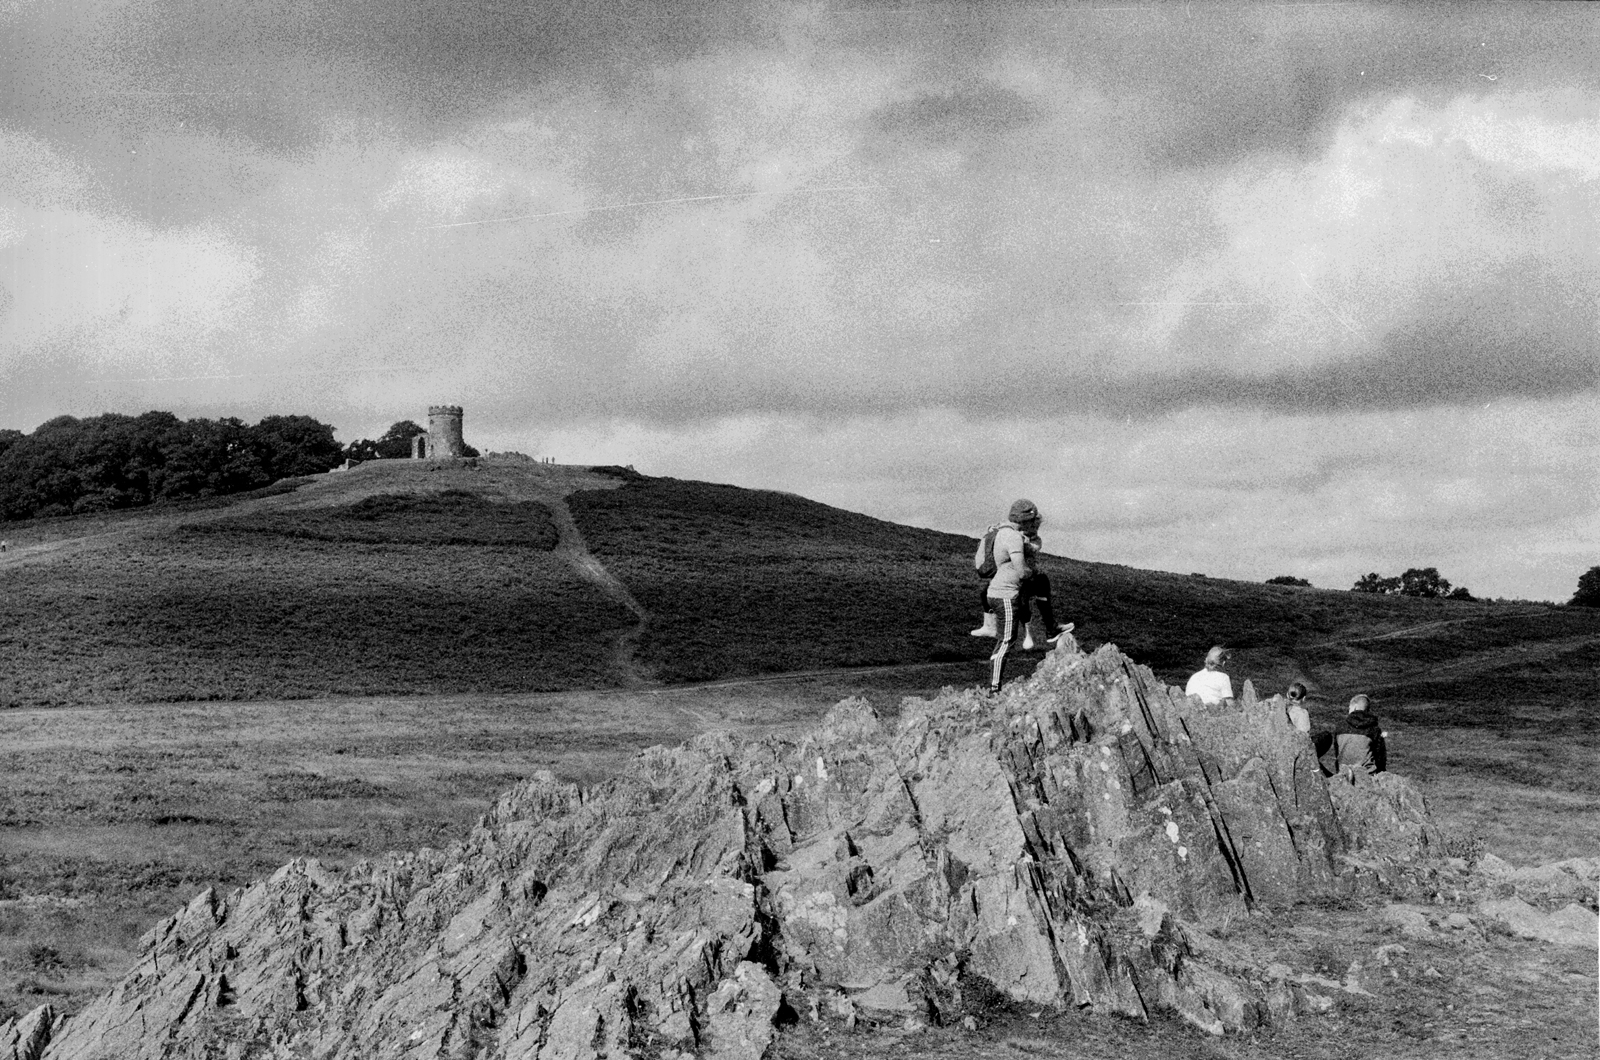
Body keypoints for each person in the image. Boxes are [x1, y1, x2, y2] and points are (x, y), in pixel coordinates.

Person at [984, 499, 1071, 694]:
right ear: (1025, 520)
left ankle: (1050, 628)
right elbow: (1021, 570)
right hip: (1005, 595)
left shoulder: (1005, 533)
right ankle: (994, 688)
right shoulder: (1013, 538)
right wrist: (1031, 571)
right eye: (1032, 521)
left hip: (1002, 591)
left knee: (1041, 582)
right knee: (1006, 641)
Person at [1314, 694, 1387, 774]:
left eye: (1349, 708)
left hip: (1344, 772)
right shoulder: (1374, 729)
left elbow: (1337, 754)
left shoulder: (1340, 727)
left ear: (1354, 707)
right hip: (1366, 774)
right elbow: (1380, 758)